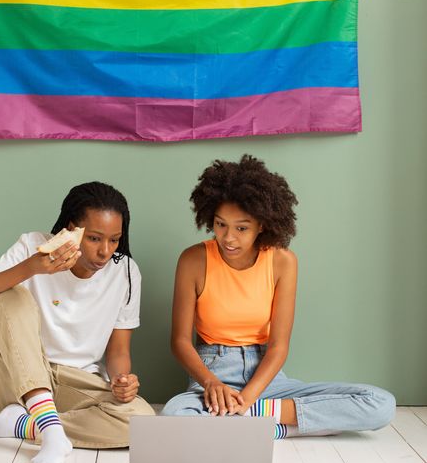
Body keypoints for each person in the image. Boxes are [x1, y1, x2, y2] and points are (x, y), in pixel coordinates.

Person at [162, 155, 395, 438]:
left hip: (268, 379)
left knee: (381, 404)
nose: (228, 238)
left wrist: (249, 398)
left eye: (242, 228)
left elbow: (278, 347)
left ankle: (254, 418)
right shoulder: (193, 259)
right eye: (221, 224)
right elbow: (179, 341)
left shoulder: (282, 261)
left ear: (262, 224)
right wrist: (211, 384)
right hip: (213, 372)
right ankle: (278, 426)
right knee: (174, 414)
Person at [0, 181, 154, 463]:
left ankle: (22, 424)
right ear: (71, 228)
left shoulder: (126, 271)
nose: (105, 251)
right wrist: (31, 268)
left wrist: (121, 379)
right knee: (10, 297)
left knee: (142, 420)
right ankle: (50, 432)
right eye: (95, 238)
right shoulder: (32, 246)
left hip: (75, 383)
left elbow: (119, 350)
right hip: (17, 380)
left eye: (114, 240)